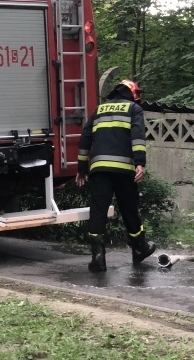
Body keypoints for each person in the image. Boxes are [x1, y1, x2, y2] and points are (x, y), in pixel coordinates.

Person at [76, 79, 156, 271]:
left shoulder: (99, 109)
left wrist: (81, 168)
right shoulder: (133, 110)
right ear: (132, 93)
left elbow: (85, 138)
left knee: (98, 211)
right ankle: (139, 249)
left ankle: (98, 258)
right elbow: (137, 137)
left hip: (99, 170)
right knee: (129, 209)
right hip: (123, 170)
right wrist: (140, 163)